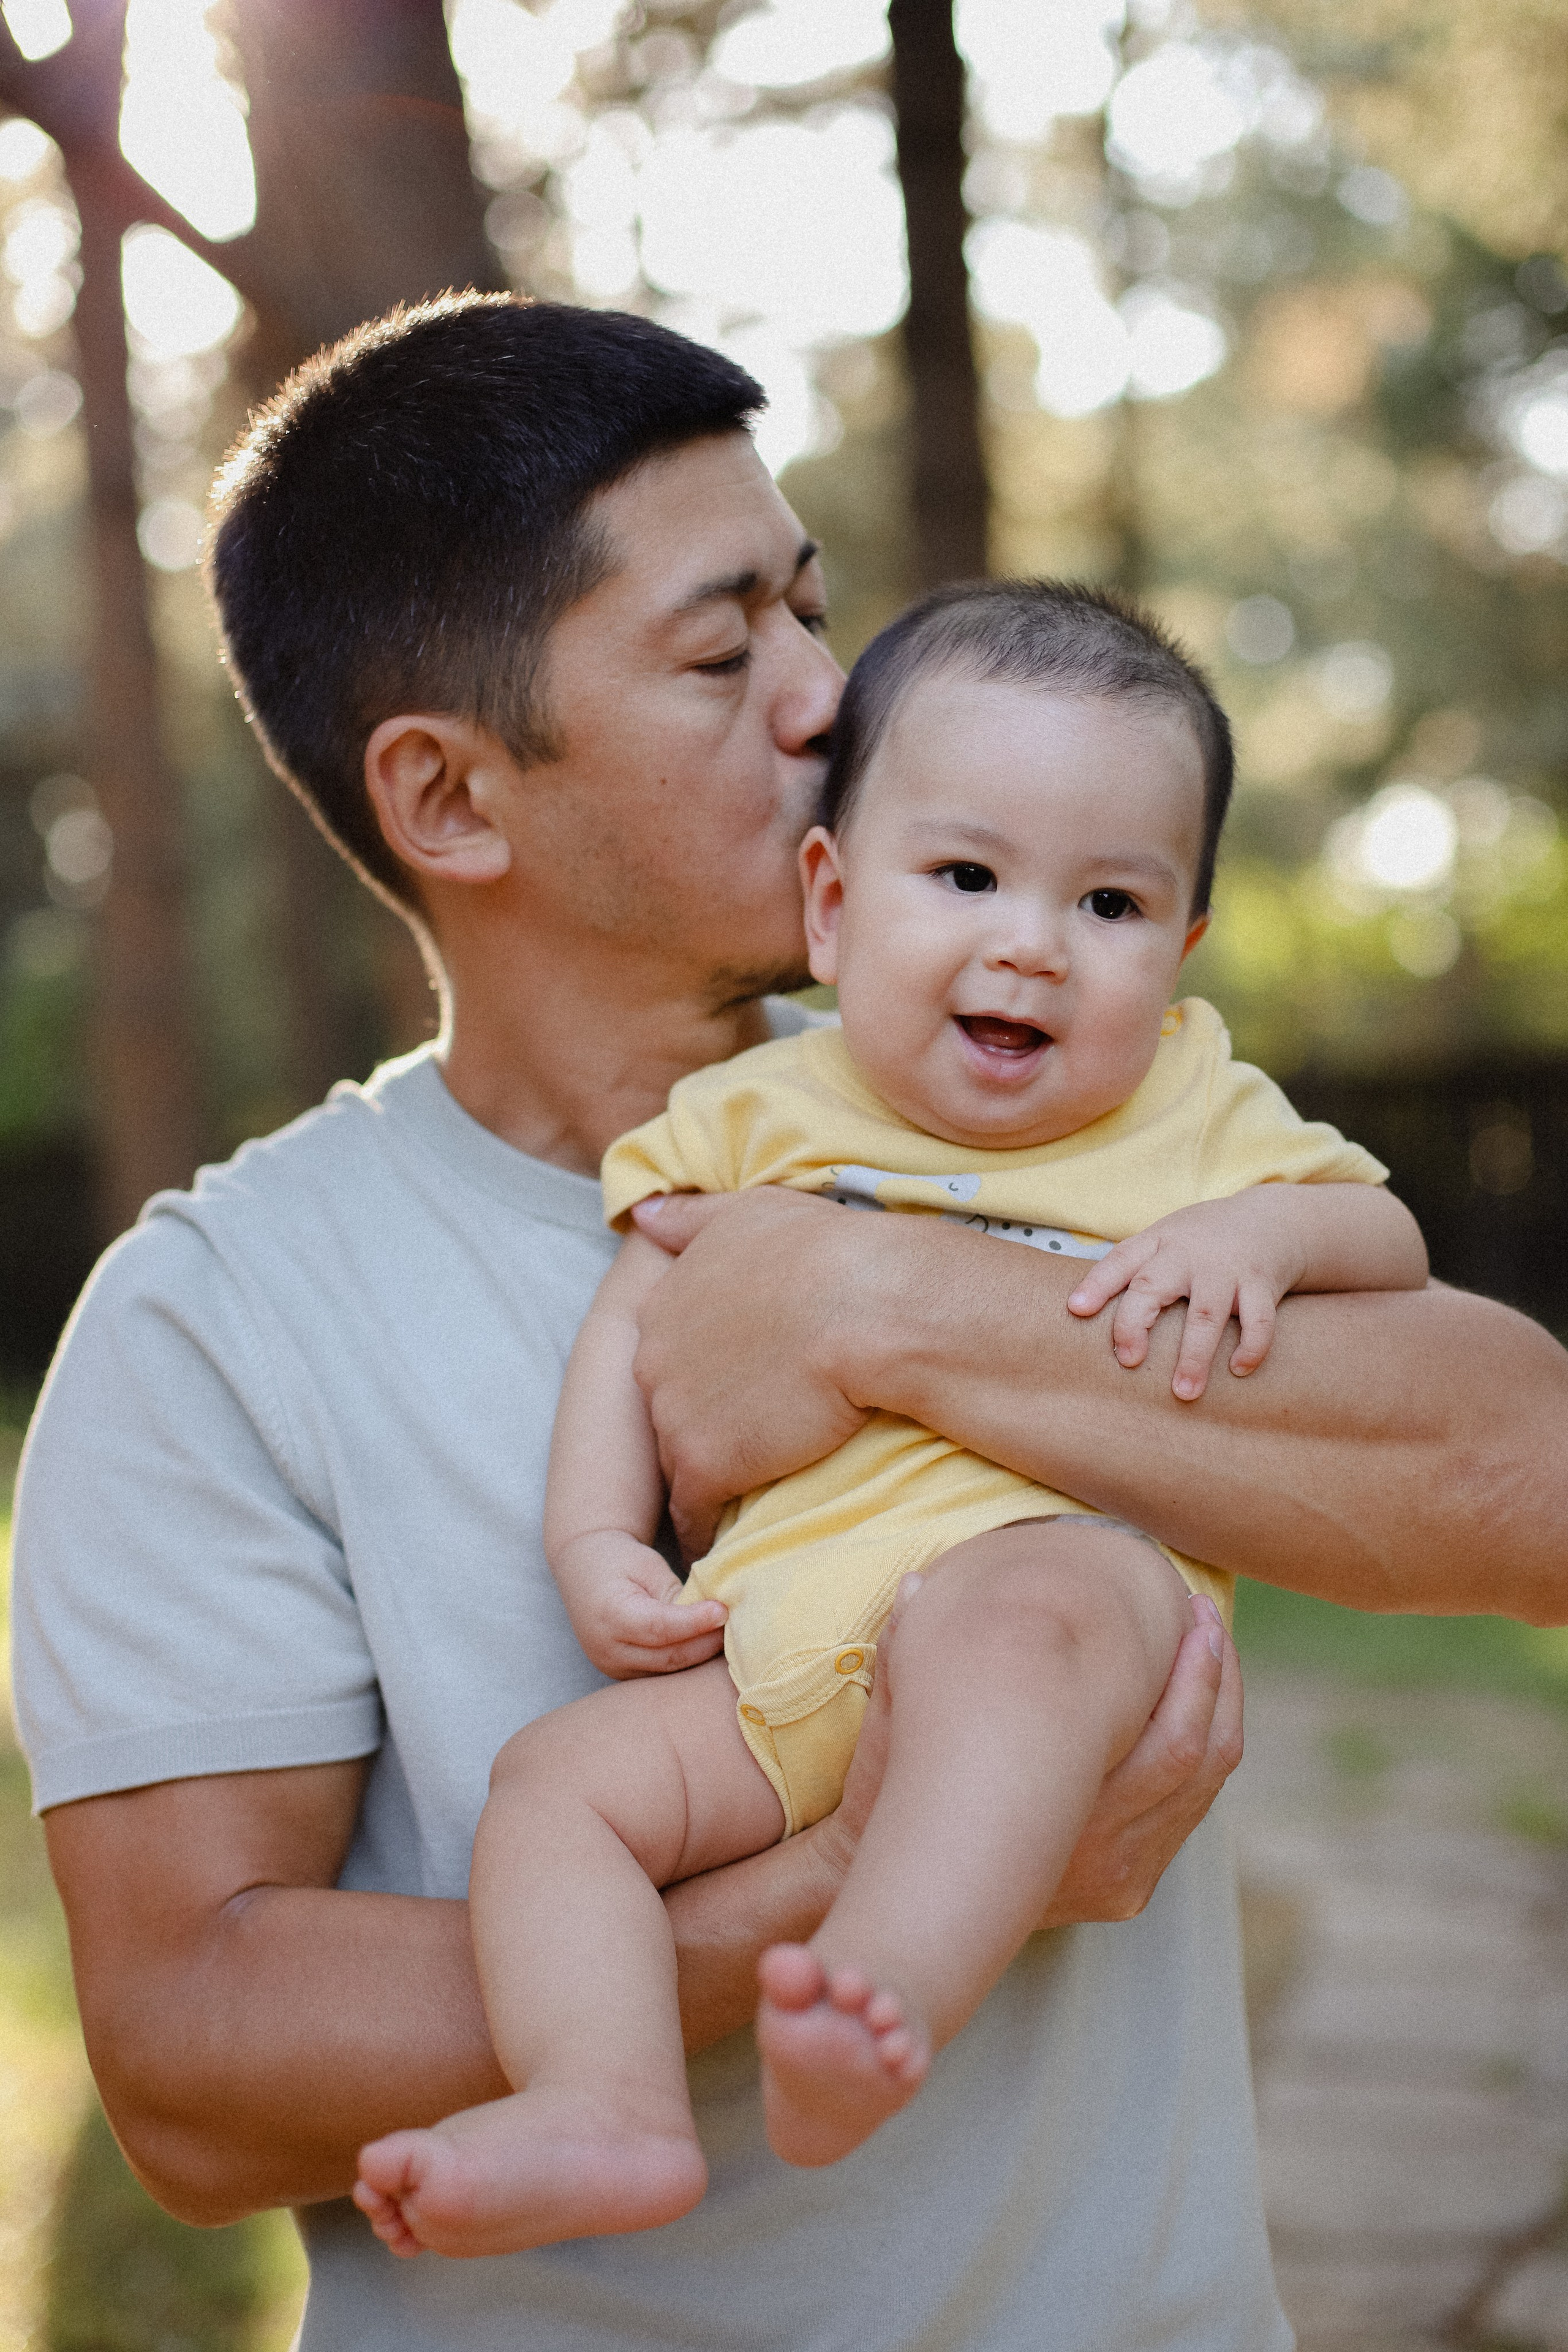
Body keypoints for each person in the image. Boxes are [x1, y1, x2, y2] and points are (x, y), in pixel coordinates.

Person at [10, 295, 1567, 2352]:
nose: (832, 695)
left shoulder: (1055, 1086)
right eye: (728, 651)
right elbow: (195, 2078)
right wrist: (838, 1892)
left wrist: (871, 1300)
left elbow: (1528, 1486)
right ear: (454, 802)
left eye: (817, 612)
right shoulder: (219, 1324)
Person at [351, 579, 1427, 2260]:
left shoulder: (1199, 1108)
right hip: (783, 1643)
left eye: (1113, 903)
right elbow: (639, 1308)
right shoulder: (753, 1112)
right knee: (556, 1790)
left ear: (1184, 953)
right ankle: (603, 2102)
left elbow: (1388, 1240)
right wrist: (589, 1539)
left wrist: (1258, 1236)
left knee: (1018, 1623)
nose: (1031, 942)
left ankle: (883, 2000)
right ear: (834, 906)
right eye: (969, 876)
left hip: (1055, 1589)